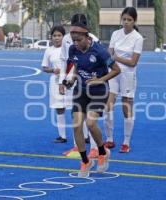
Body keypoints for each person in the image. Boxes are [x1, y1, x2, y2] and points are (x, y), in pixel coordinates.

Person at [67, 19, 120, 178]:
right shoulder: (73, 50)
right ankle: (85, 161)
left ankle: (103, 152)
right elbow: (77, 66)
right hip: (81, 91)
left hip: (98, 91)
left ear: (87, 37)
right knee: (77, 125)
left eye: (79, 40)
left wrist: (100, 79)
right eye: (73, 40)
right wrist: (72, 79)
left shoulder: (100, 51)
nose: (76, 43)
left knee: (90, 123)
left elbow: (116, 70)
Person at [59, 13, 100, 159]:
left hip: (91, 81)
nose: (75, 31)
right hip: (74, 79)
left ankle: (95, 148)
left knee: (91, 117)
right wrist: (62, 81)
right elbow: (64, 61)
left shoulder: (93, 39)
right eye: (73, 28)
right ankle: (78, 147)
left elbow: (101, 63)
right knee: (77, 115)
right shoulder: (66, 39)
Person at [104, 7, 143, 153]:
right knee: (108, 106)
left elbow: (133, 62)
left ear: (134, 21)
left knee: (126, 108)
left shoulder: (138, 38)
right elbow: (109, 53)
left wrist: (117, 58)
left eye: (129, 20)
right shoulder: (115, 33)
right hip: (113, 73)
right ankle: (109, 139)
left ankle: (126, 142)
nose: (126, 22)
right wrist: (110, 63)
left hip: (128, 75)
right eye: (124, 19)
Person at [41, 25, 68, 143]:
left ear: (64, 36)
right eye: (54, 36)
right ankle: (62, 136)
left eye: (59, 35)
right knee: (59, 108)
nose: (57, 38)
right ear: (51, 37)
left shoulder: (68, 48)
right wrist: (52, 70)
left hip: (70, 81)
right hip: (55, 82)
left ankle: (85, 136)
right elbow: (44, 67)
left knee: (77, 108)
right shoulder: (49, 50)